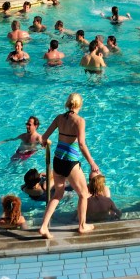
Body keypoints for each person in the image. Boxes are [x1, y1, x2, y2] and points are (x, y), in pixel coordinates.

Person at [39, 93, 99, 238]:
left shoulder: (59, 118)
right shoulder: (80, 121)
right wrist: (92, 162)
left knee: (57, 195)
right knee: (84, 194)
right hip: (70, 162)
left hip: (57, 159)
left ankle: (43, 227)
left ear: (68, 103)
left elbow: (44, 138)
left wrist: (45, 144)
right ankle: (82, 226)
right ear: (79, 105)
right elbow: (81, 144)